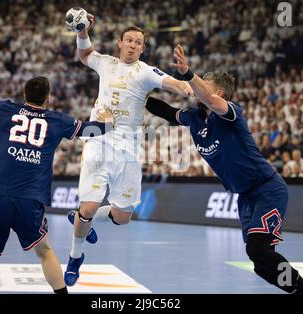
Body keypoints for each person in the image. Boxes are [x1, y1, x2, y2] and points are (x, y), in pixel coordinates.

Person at [0, 51, 114, 294]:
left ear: (24, 95)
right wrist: (109, 121)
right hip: (31, 202)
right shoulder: (58, 120)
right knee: (45, 252)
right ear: (48, 98)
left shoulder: (1, 109)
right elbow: (91, 131)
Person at [144, 44, 303, 294]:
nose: (197, 88)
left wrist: (188, 73)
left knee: (258, 249)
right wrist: (139, 95)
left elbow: (211, 100)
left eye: (204, 84)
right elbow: (168, 112)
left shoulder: (230, 112)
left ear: (219, 91)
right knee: (260, 262)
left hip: (267, 189)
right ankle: (298, 291)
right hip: (245, 196)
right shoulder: (196, 118)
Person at [65, 14, 193, 286]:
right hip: (99, 140)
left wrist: (186, 84)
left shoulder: (146, 71)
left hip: (129, 148)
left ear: (143, 49)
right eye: (130, 41)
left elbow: (172, 83)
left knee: (123, 217)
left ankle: (83, 220)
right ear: (120, 42)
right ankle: (75, 256)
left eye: (139, 43)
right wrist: (82, 31)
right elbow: (85, 53)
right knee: (88, 207)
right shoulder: (106, 63)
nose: (134, 45)